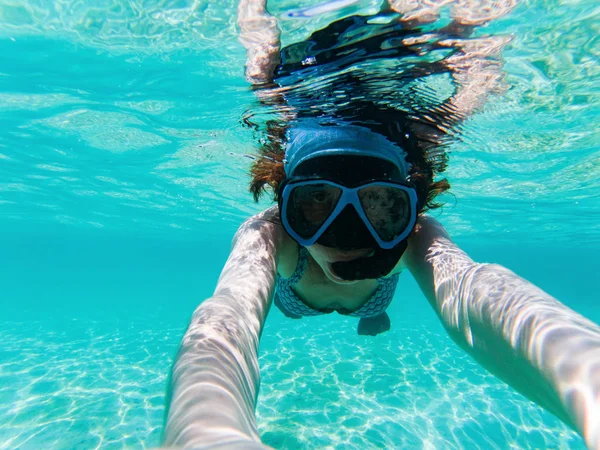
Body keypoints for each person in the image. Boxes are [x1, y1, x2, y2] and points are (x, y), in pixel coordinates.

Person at [161, 1, 600, 449]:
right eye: (316, 204)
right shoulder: (268, 235)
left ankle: (372, 313)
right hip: (296, 300)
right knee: (360, 298)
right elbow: (228, 312)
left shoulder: (415, 235)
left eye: (381, 207)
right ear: (283, 203)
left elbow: (471, 291)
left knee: (372, 311)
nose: (348, 235)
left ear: (410, 209)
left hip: (365, 301)